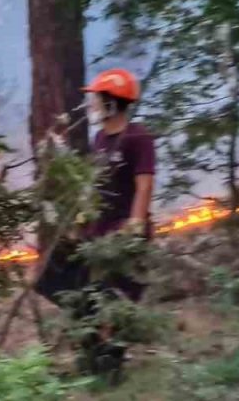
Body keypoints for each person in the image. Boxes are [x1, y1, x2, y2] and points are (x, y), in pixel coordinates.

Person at [35, 68, 156, 380]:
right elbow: (93, 186)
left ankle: (109, 366)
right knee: (52, 280)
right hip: (94, 231)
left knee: (113, 300)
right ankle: (92, 351)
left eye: (97, 99)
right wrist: (78, 222)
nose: (92, 105)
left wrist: (135, 226)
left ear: (114, 102)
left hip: (122, 233)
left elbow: (144, 185)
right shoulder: (100, 139)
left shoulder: (138, 137)